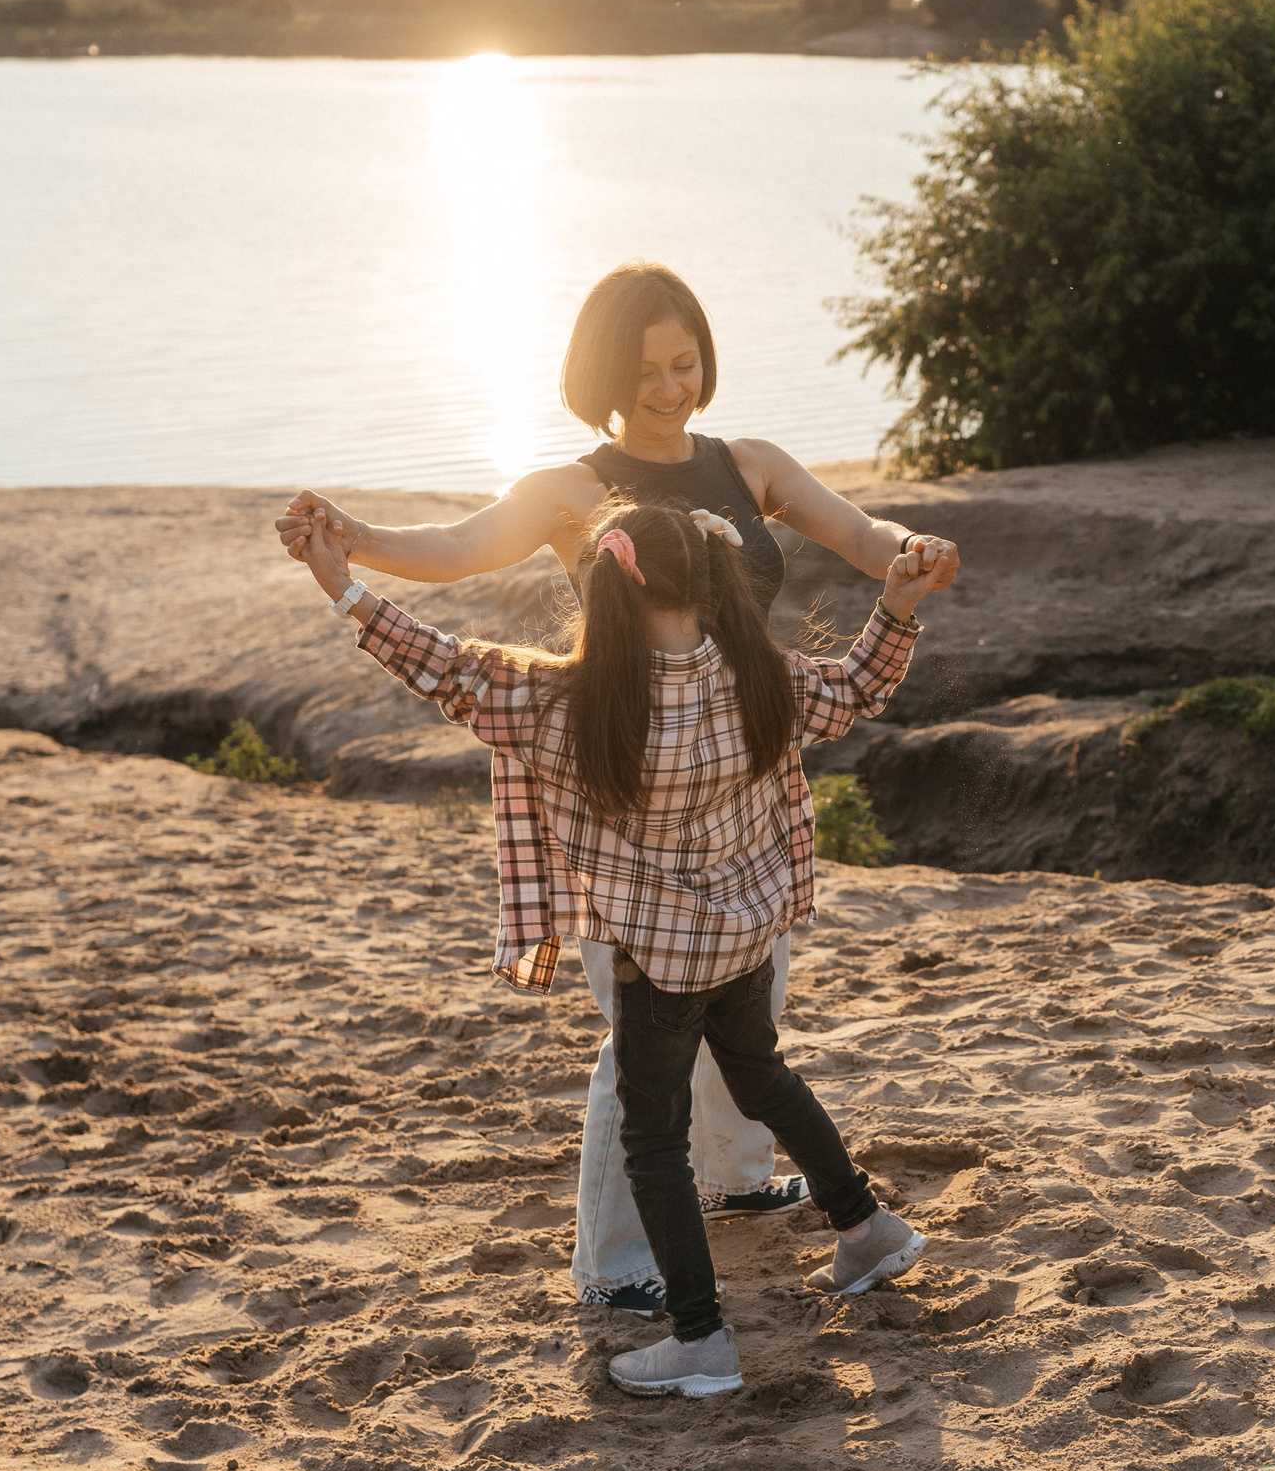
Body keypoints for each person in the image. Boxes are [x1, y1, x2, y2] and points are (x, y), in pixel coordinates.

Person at [277, 261, 960, 1318]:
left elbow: (860, 537)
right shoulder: (572, 490)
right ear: (604, 370)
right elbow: (454, 551)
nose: (670, 384)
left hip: (742, 766)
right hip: (626, 788)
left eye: (685, 361)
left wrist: (906, 557)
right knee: (638, 1049)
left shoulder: (751, 462)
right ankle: (613, 1256)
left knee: (754, 1008)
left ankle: (734, 1178)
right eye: (646, 367)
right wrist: (350, 543)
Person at [298, 498, 953, 1397]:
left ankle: (700, 1338)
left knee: (653, 1142)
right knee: (764, 1079)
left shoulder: (567, 703)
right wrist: (898, 609)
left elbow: (443, 667)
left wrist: (343, 586)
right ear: (710, 572)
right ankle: (868, 1229)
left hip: (658, 964)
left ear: (605, 587)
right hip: (747, 938)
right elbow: (858, 687)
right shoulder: (764, 677)